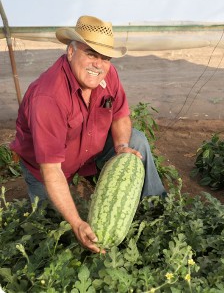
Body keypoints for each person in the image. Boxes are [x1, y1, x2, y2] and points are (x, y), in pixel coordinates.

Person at [10, 15, 166, 253]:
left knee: (137, 140)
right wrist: (76, 222)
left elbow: (120, 115)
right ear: (71, 52)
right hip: (46, 167)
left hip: (87, 151)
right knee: (52, 229)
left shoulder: (106, 73)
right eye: (91, 54)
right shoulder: (49, 98)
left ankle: (157, 206)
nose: (98, 64)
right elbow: (51, 170)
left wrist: (122, 146)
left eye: (105, 57)